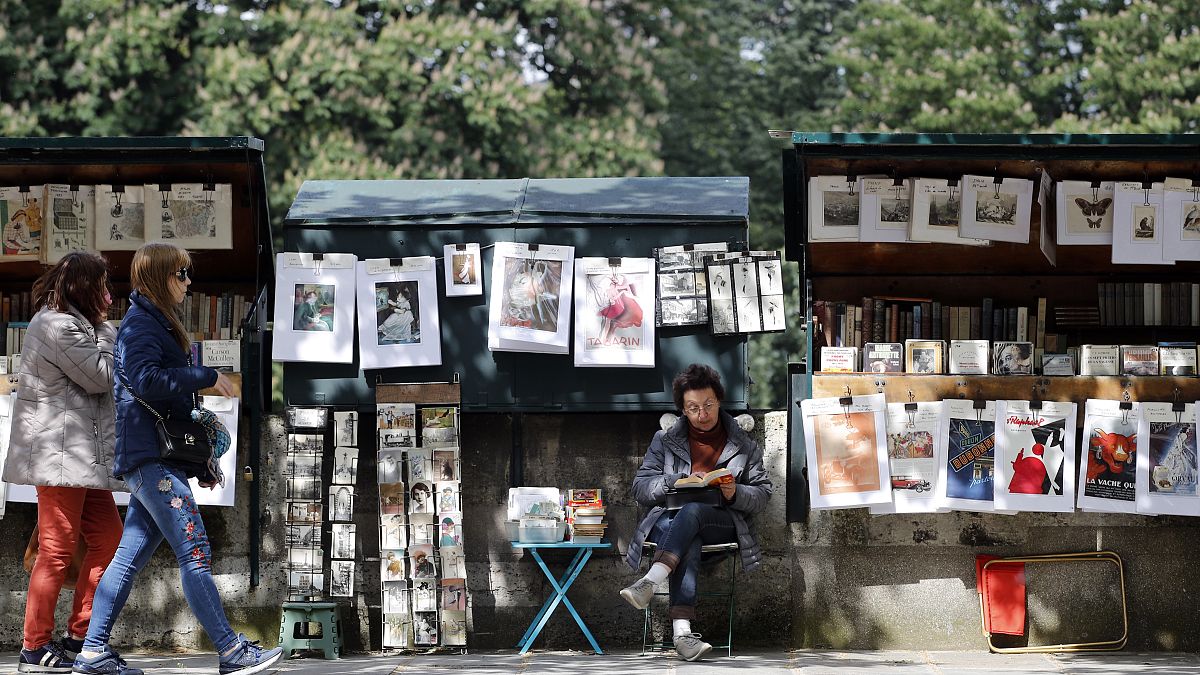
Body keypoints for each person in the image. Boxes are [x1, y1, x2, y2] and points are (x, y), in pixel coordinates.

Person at [72, 243, 281, 675]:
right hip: (151, 461)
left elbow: (165, 401)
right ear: (160, 276)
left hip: (153, 458)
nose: (189, 282)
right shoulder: (141, 327)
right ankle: (230, 652)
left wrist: (197, 458)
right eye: (182, 273)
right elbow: (149, 382)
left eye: (189, 273)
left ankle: (92, 652)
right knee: (195, 550)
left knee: (127, 560)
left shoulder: (151, 322)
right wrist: (207, 376)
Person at [2, 252, 123, 673]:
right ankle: (33, 646)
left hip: (80, 458)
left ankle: (80, 636)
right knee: (55, 550)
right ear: (84, 287)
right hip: (59, 455)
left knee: (108, 540)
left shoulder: (71, 323)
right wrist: (108, 330)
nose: (109, 294)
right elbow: (101, 375)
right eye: (103, 285)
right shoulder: (57, 325)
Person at [620, 364, 772, 662]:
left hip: (722, 521)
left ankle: (650, 581)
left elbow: (763, 493)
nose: (702, 414)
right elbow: (640, 487)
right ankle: (682, 634)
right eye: (693, 408)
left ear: (719, 401)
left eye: (708, 405)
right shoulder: (664, 440)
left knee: (693, 514)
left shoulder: (743, 443)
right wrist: (670, 482)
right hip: (671, 521)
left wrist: (734, 492)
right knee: (688, 530)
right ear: (682, 410)